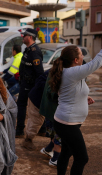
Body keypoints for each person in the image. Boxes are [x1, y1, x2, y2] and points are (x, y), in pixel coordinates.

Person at [50, 45, 100, 175]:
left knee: (66, 153)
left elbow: (71, 91)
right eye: (81, 54)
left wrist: (84, 97)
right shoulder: (73, 72)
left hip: (66, 122)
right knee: (82, 158)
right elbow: (95, 64)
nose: (83, 56)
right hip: (67, 124)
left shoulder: (70, 73)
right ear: (76, 60)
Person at [16, 28, 44, 138]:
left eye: (24, 36)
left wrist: (37, 87)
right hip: (25, 83)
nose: (23, 37)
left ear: (30, 37)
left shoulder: (34, 51)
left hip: (30, 84)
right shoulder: (28, 50)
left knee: (22, 105)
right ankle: (42, 129)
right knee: (36, 106)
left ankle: (19, 130)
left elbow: (39, 72)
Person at [21, 70, 49, 150]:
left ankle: (37, 133)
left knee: (38, 120)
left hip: (39, 98)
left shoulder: (55, 71)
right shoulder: (55, 73)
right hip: (37, 99)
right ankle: (28, 140)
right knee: (36, 121)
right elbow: (40, 81)